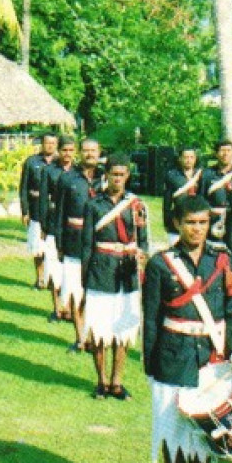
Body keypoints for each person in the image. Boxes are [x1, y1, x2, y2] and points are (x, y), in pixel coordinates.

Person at [142, 194, 232, 463]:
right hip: (172, 358)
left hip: (211, 357)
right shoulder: (161, 264)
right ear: (177, 223)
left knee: (205, 434)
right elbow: (152, 319)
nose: (197, 229)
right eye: (191, 223)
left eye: (203, 223)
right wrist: (150, 367)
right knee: (174, 434)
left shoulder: (222, 259)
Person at [79, 158, 149, 399]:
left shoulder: (137, 205)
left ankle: (117, 382)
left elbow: (143, 241)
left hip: (128, 275)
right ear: (106, 175)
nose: (117, 178)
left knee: (124, 329)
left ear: (127, 175)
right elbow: (86, 245)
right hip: (100, 273)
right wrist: (84, 280)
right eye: (113, 174)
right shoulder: (93, 205)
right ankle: (101, 381)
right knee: (99, 329)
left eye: (122, 174)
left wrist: (142, 261)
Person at [52, 138, 104, 347]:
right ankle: (80, 337)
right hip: (74, 242)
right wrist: (59, 245)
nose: (89, 154)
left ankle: (94, 335)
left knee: (95, 292)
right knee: (75, 290)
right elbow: (59, 215)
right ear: (79, 153)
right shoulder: (67, 179)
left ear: (99, 153)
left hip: (99, 242)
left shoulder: (106, 178)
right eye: (86, 150)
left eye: (93, 150)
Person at [38, 137, 77, 321]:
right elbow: (43, 200)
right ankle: (57, 308)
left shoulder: (78, 173)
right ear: (58, 151)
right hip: (54, 224)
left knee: (70, 271)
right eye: (64, 150)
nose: (67, 154)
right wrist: (44, 226)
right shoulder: (49, 171)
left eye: (71, 150)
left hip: (72, 228)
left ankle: (70, 308)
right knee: (54, 269)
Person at [19, 132, 60, 288]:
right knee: (37, 248)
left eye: (53, 143)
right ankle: (40, 278)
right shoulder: (31, 162)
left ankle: (52, 279)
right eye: (47, 142)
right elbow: (23, 189)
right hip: (36, 210)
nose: (50, 145)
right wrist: (25, 211)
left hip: (55, 212)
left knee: (53, 248)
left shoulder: (60, 164)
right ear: (42, 144)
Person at [203, 139, 232, 260]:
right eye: (222, 151)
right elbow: (201, 199)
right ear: (216, 153)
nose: (225, 154)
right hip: (214, 221)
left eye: (229, 151)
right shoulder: (207, 174)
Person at [162, 147, 204, 245]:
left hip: (197, 218)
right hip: (179, 218)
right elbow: (167, 202)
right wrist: (167, 222)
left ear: (195, 159)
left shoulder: (202, 175)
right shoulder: (172, 175)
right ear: (180, 158)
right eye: (186, 157)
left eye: (191, 157)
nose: (189, 160)